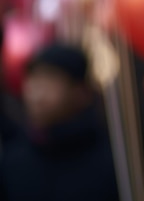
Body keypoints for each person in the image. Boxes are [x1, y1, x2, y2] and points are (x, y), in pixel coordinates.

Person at [0, 41, 119, 201]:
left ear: (80, 93)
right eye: (33, 82)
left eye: (49, 83)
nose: (37, 95)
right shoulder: (13, 160)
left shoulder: (112, 163)